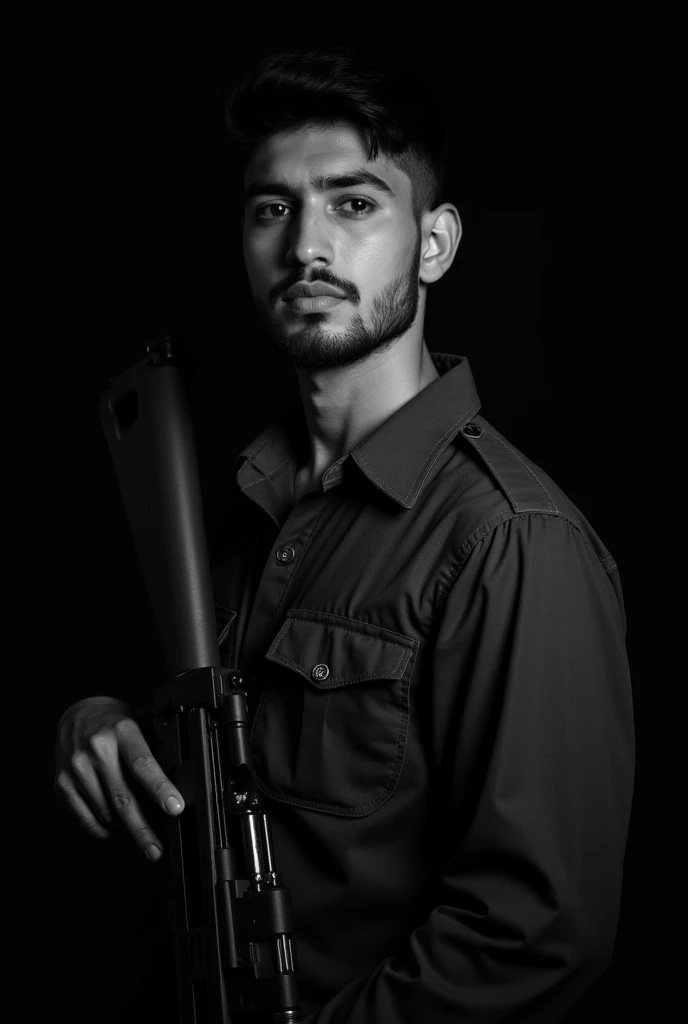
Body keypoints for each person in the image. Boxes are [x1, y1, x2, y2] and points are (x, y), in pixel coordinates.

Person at [54, 46, 635, 1023]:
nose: (305, 247)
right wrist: (99, 722)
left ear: (435, 243)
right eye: (272, 209)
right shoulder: (249, 508)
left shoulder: (512, 540)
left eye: (354, 203)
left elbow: (531, 935)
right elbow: (235, 772)